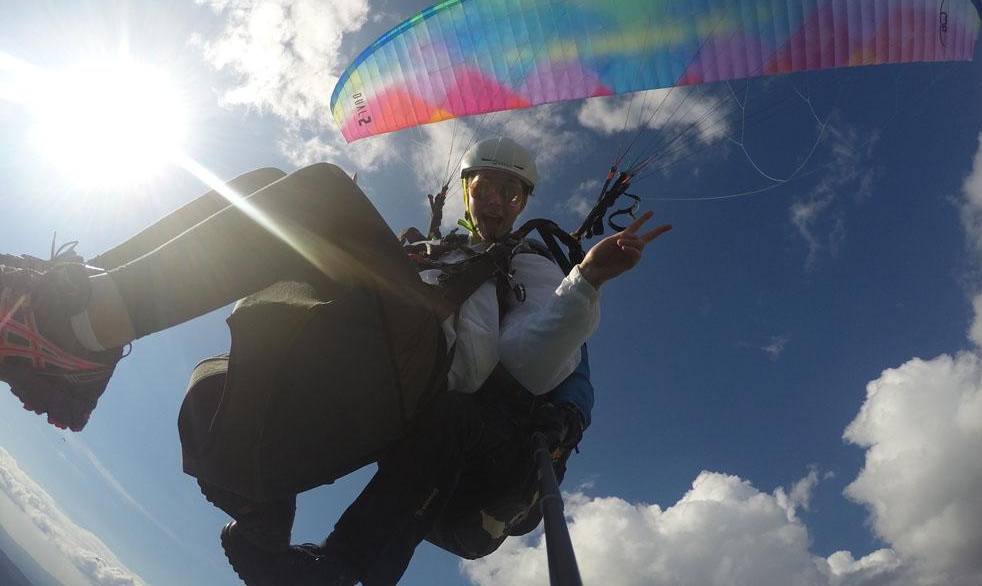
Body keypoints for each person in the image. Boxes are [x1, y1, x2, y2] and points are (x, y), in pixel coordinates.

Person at [0, 137, 670, 585]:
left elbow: (530, 361)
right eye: (483, 188)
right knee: (268, 187)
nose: (494, 202)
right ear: (466, 191)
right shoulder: (448, 248)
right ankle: (79, 295)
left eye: (510, 193)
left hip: (435, 366)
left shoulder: (530, 256)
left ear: (524, 203)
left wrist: (584, 281)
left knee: (318, 194)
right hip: (391, 339)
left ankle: (80, 328)